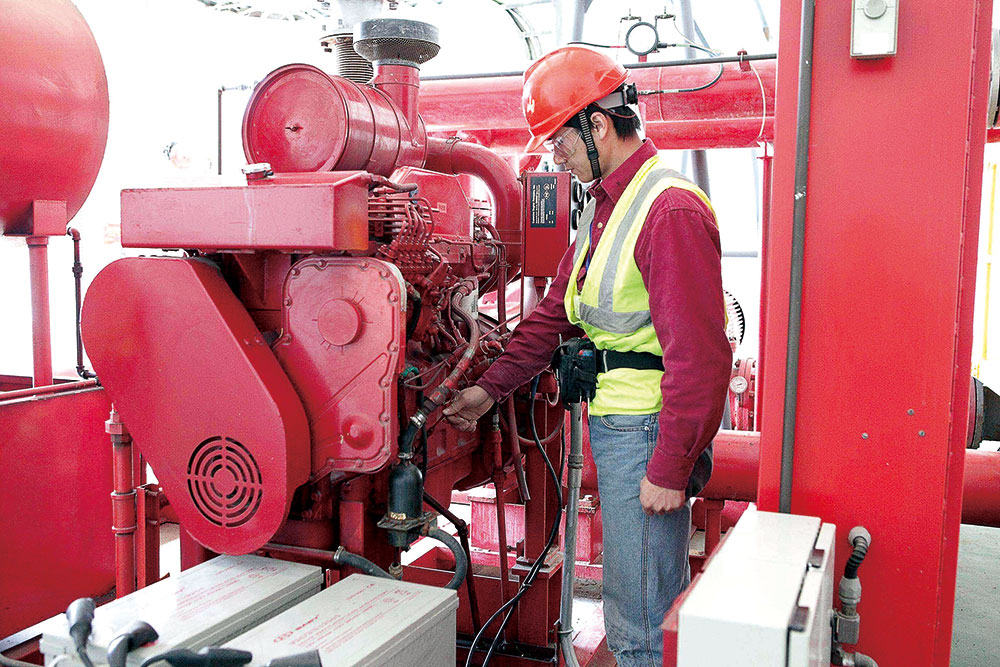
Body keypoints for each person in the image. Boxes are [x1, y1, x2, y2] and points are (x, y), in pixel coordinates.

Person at [443, 46, 732, 667]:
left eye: (559, 141)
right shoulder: (607, 206)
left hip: (647, 431)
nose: (556, 157)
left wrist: (670, 467)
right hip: (623, 426)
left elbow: (702, 359)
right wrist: (489, 389)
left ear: (597, 125)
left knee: (639, 622)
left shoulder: (667, 209)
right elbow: (555, 313)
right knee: (636, 606)